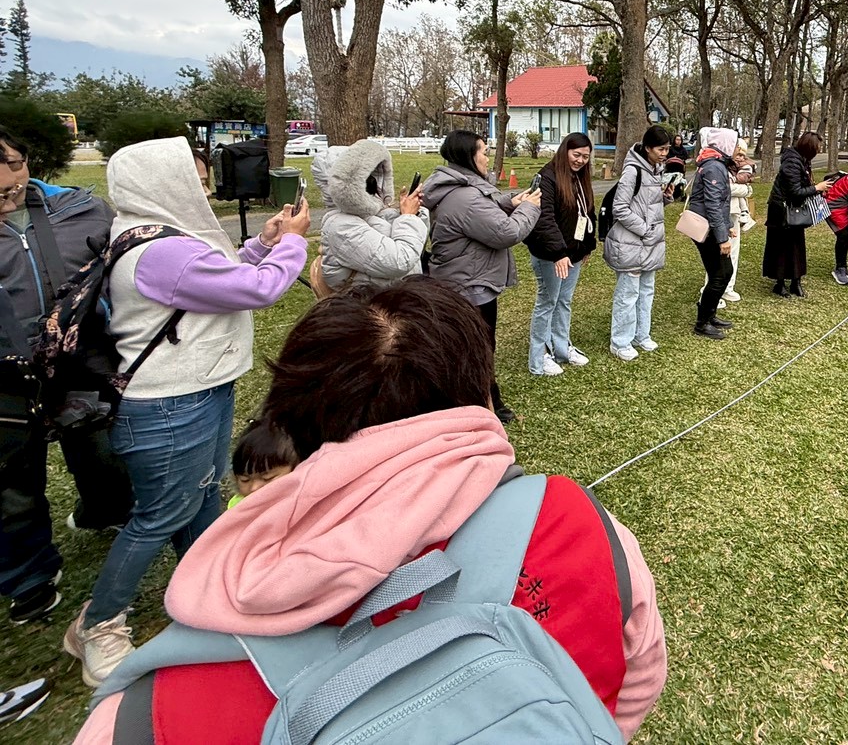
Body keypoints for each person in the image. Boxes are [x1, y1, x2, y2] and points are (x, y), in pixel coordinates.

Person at [71, 277, 667, 743]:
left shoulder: (146, 713)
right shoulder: (577, 524)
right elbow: (635, 678)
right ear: (479, 396)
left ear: (291, 421)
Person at [64, 138, 309, 687]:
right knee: (161, 515)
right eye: (194, 180)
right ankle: (97, 624)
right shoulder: (160, 251)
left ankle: (209, 591)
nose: (204, 189)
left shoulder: (156, 238)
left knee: (200, 496)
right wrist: (292, 244)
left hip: (197, 391)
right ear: (161, 183)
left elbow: (213, 281)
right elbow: (258, 288)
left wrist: (261, 243)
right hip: (169, 403)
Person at [0, 126, 134, 627]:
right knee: (11, 479)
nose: (8, 189)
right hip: (6, 378)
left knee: (100, 448)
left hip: (81, 359)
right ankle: (29, 578)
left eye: (14, 169)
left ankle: (107, 509)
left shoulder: (80, 209)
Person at [421, 129, 541, 422]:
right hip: (470, 286)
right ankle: (484, 406)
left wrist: (511, 202)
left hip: (464, 279)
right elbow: (507, 232)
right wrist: (529, 208)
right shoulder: (465, 197)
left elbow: (486, 208)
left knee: (474, 345)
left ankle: (486, 399)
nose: (488, 158)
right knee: (479, 348)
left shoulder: (458, 186)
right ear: (469, 156)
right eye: (484, 152)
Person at [526, 132, 598, 374]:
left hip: (572, 253)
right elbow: (543, 219)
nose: (580, 160)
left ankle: (562, 347)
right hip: (550, 255)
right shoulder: (547, 177)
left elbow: (588, 213)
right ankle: (540, 357)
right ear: (565, 150)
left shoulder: (579, 178)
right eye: (576, 154)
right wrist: (558, 253)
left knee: (564, 302)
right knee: (547, 302)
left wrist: (587, 245)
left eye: (585, 157)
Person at [315, 138, 428, 293]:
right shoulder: (341, 226)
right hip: (369, 304)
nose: (372, 183)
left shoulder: (372, 214)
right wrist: (408, 217)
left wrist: (410, 212)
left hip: (398, 298)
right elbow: (400, 261)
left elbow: (416, 245)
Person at [605, 124, 671, 361]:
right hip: (631, 243)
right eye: (660, 149)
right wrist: (644, 229)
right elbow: (620, 208)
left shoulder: (656, 170)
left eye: (667, 149)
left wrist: (665, 198)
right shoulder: (633, 171)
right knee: (627, 294)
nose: (664, 153)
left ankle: (641, 335)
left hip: (649, 243)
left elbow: (646, 204)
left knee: (646, 291)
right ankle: (620, 342)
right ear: (648, 148)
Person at [761, 131, 830, 298]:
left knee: (796, 245)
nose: (819, 150)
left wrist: (817, 189)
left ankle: (795, 280)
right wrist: (817, 188)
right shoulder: (792, 161)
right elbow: (795, 191)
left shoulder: (803, 160)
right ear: (809, 147)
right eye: (817, 147)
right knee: (780, 246)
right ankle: (780, 283)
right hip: (782, 209)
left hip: (795, 208)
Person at [686, 128, 738, 338]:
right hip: (706, 229)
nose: (736, 148)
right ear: (725, 145)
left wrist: (727, 226)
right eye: (734, 144)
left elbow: (719, 203)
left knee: (724, 272)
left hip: (712, 227)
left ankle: (710, 314)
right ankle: (702, 323)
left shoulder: (715, 163)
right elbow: (713, 204)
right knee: (719, 275)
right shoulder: (714, 166)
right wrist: (722, 237)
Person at [226, 416, 299, 509]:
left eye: (267, 478)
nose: (254, 488)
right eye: (245, 480)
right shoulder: (238, 506)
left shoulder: (306, 508)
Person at [723, 143, 756, 303]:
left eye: (743, 154)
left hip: (734, 212)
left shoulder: (740, 168)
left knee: (734, 252)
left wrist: (745, 189)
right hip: (723, 212)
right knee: (721, 253)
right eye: (738, 153)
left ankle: (728, 287)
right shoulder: (720, 166)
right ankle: (715, 288)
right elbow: (725, 188)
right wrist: (746, 190)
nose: (740, 157)